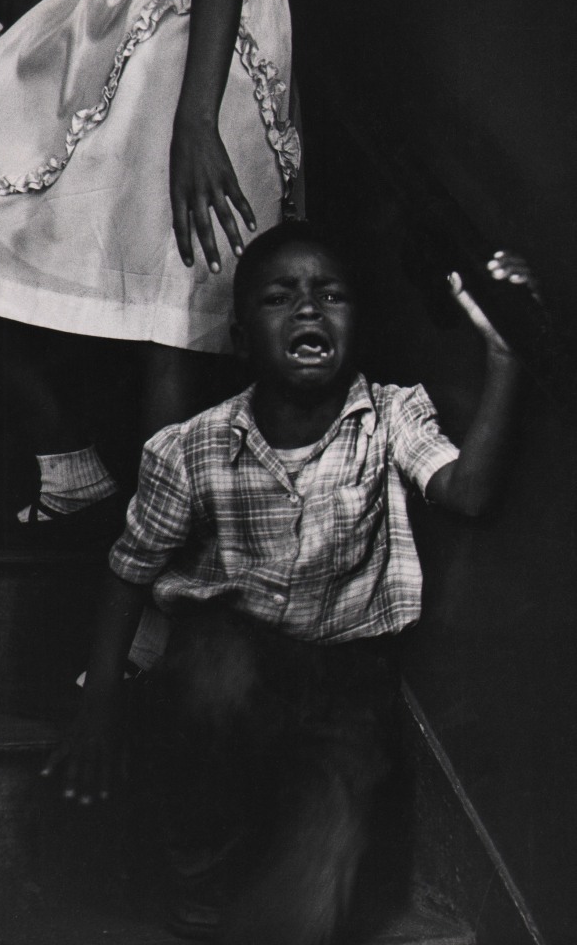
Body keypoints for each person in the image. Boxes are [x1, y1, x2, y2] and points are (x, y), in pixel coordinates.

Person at [41, 220, 529, 942]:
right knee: (213, 662)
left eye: (331, 295)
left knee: (303, 909)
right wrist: (100, 700)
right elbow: (128, 571)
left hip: (347, 685)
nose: (309, 309)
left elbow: (469, 491)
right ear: (241, 335)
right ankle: (200, 876)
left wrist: (506, 357)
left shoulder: (391, 415)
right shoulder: (192, 448)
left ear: (355, 324)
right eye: (280, 297)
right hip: (229, 660)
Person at [0, 0, 300, 546]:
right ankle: (70, 466)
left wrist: (199, 120)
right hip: (110, 35)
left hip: (197, 48)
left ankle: (156, 566)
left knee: (174, 307)